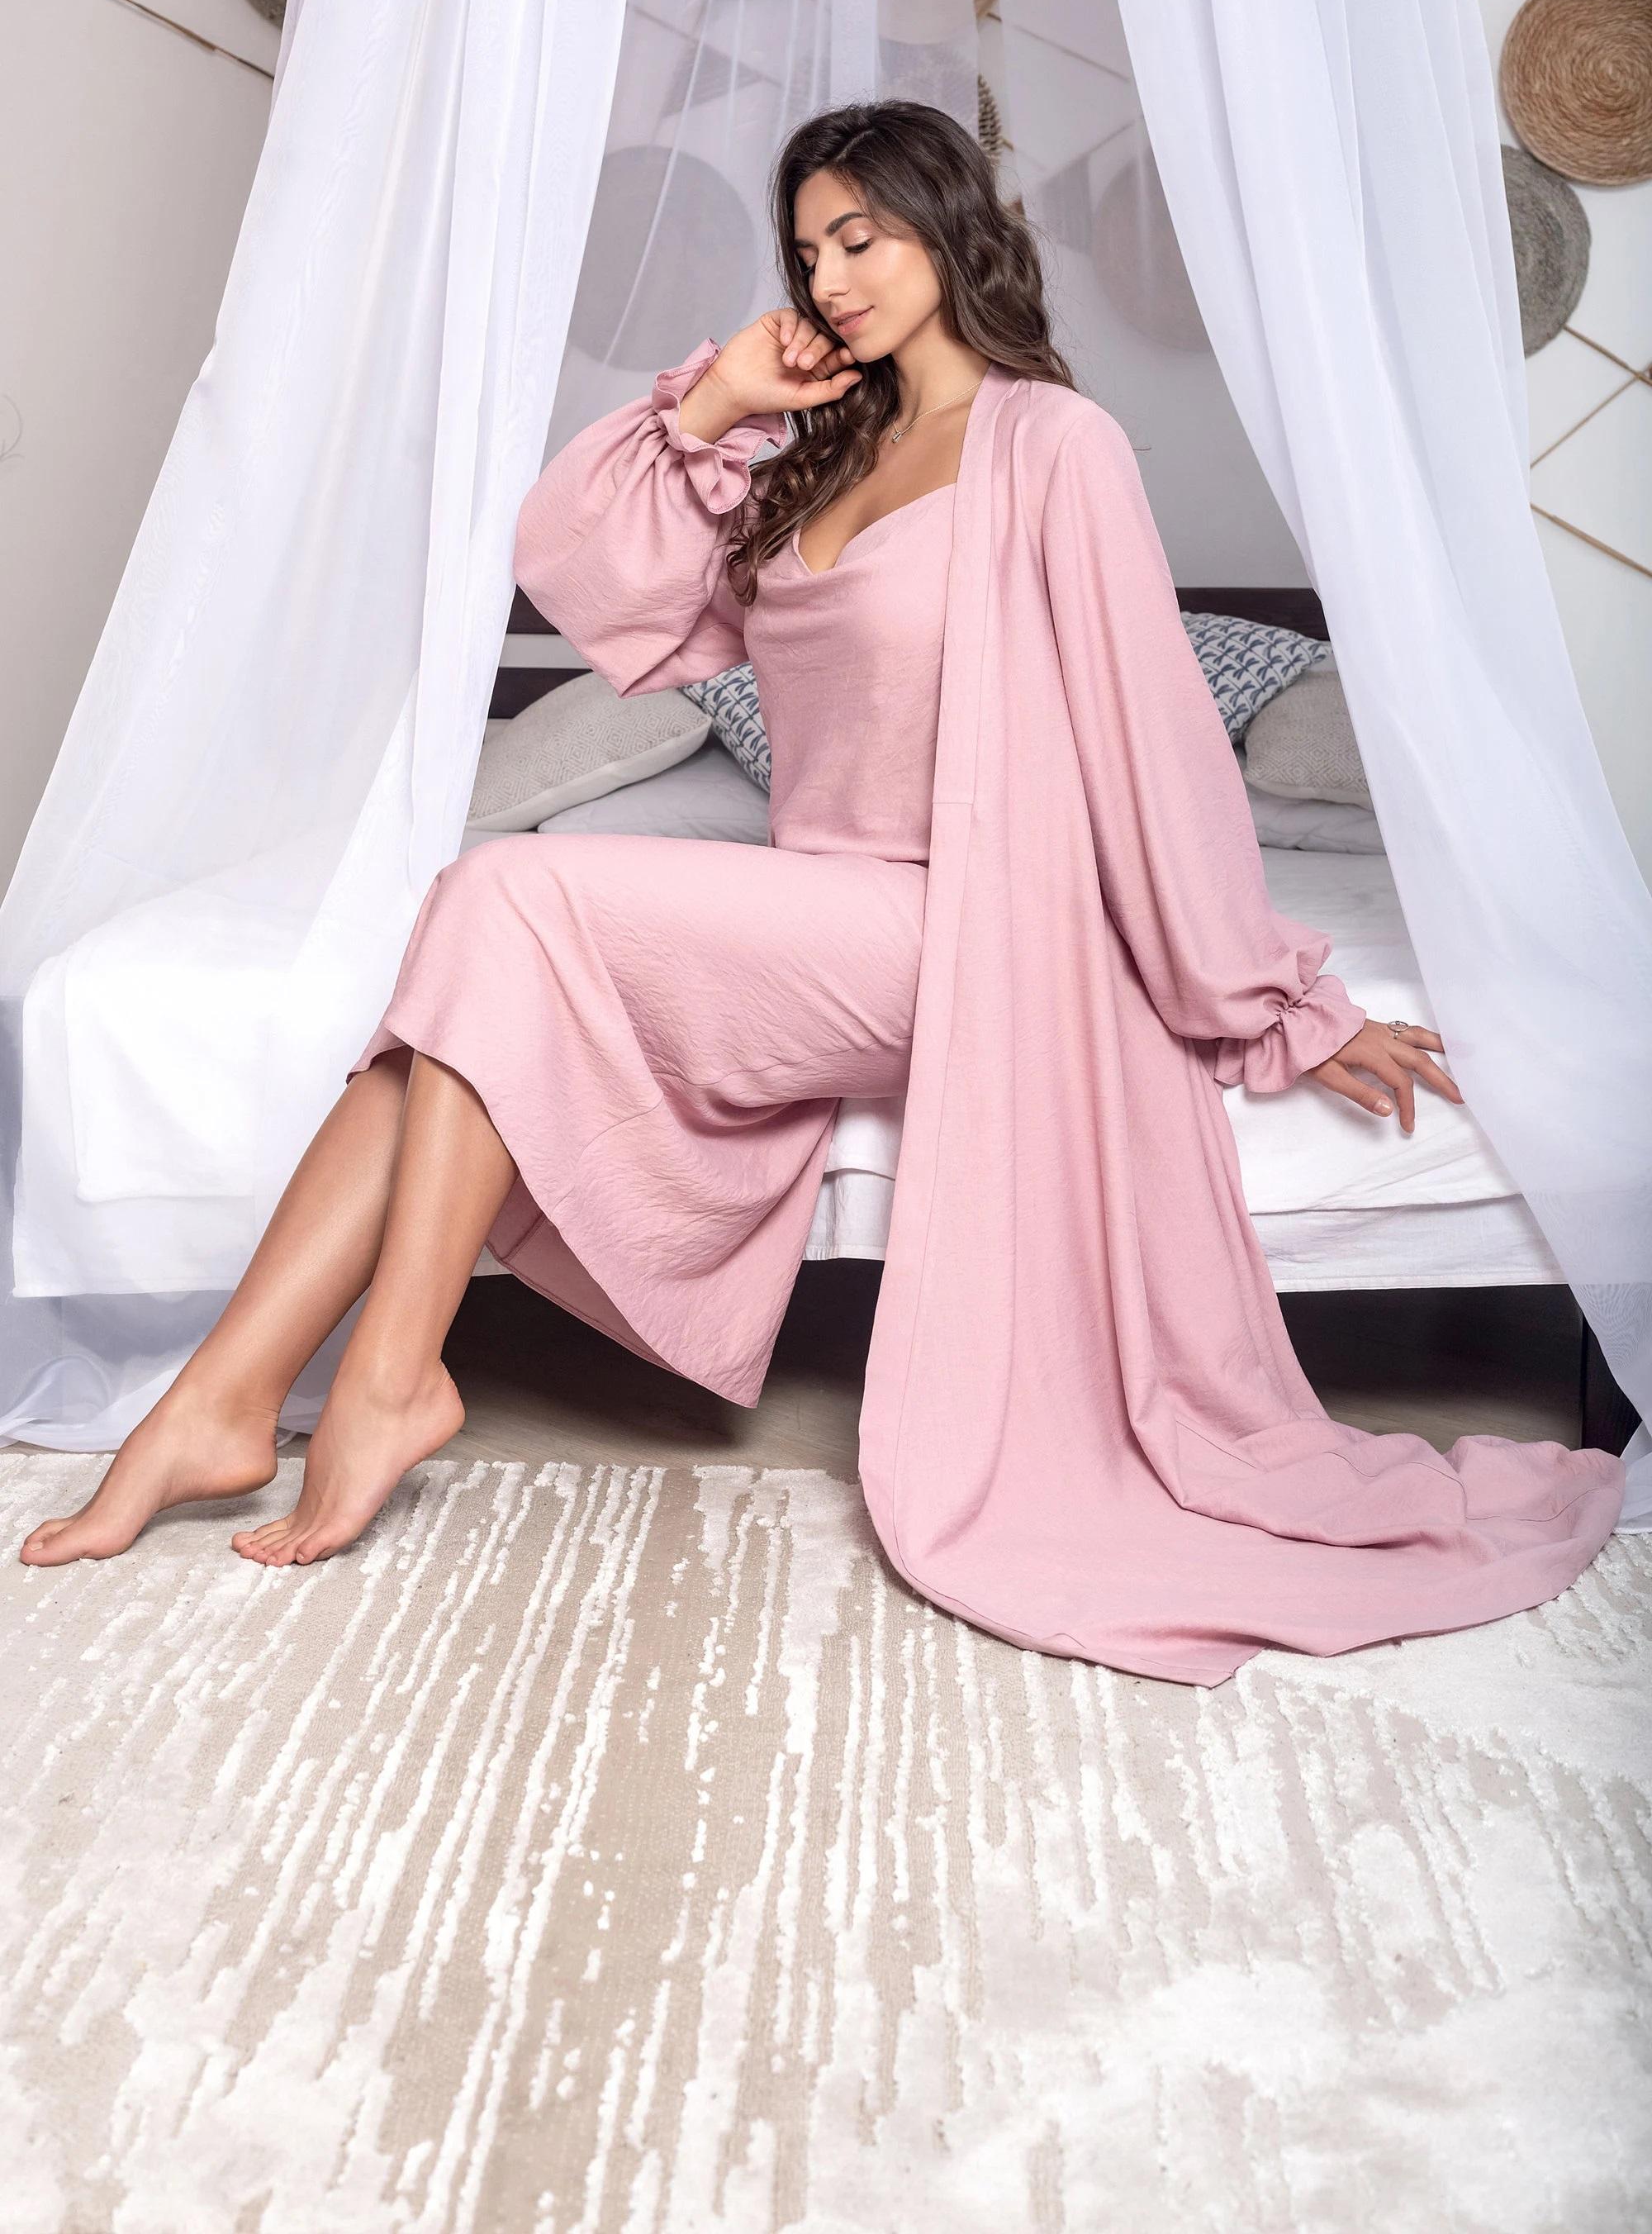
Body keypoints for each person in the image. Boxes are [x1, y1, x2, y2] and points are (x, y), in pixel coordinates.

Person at [19, 102, 1622, 1690]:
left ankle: (379, 1377)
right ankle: (221, 1404)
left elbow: (1154, 748)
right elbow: (583, 566)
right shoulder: (808, 461)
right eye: (806, 248)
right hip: (827, 920)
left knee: (500, 904)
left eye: (862, 233)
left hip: (983, 933)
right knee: (453, 997)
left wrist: (1271, 997)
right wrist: (719, 395)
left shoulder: (1054, 446)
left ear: (948, 227)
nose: (833, 273)